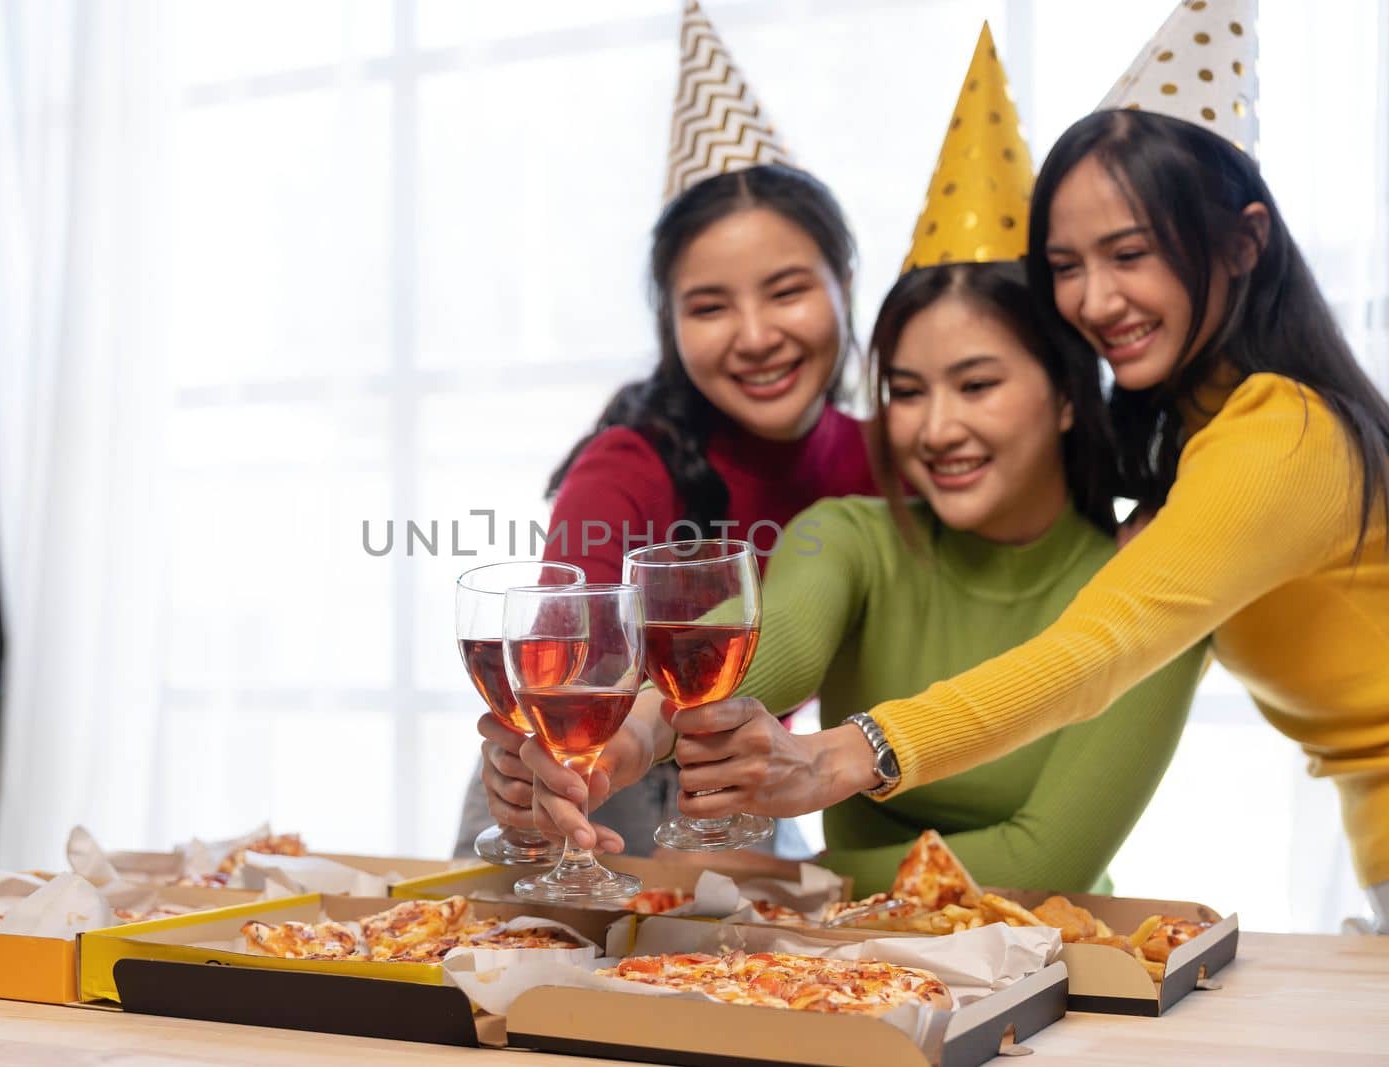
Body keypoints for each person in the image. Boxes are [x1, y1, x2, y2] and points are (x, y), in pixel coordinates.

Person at [596, 106, 1389, 930]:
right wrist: (628, 734)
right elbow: (766, 642)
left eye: (1131, 252)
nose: (1096, 297)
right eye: (1067, 266)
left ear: (1243, 242)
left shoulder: (1274, 441)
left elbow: (1093, 656)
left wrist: (823, 797)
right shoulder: (1181, 470)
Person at [517, 27, 1208, 895]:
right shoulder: (843, 527)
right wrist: (632, 734)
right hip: (786, 925)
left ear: (1069, 394)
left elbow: (1048, 863)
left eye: (979, 383)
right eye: (910, 391)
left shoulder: (1151, 575)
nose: (935, 428)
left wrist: (789, 874)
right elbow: (767, 645)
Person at [454, 4, 881, 859]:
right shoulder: (627, 466)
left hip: (742, 783)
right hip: (596, 786)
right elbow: (562, 683)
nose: (756, 334)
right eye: (710, 305)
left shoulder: (883, 465)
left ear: (843, 286)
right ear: (671, 326)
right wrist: (539, 776)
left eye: (788, 290)